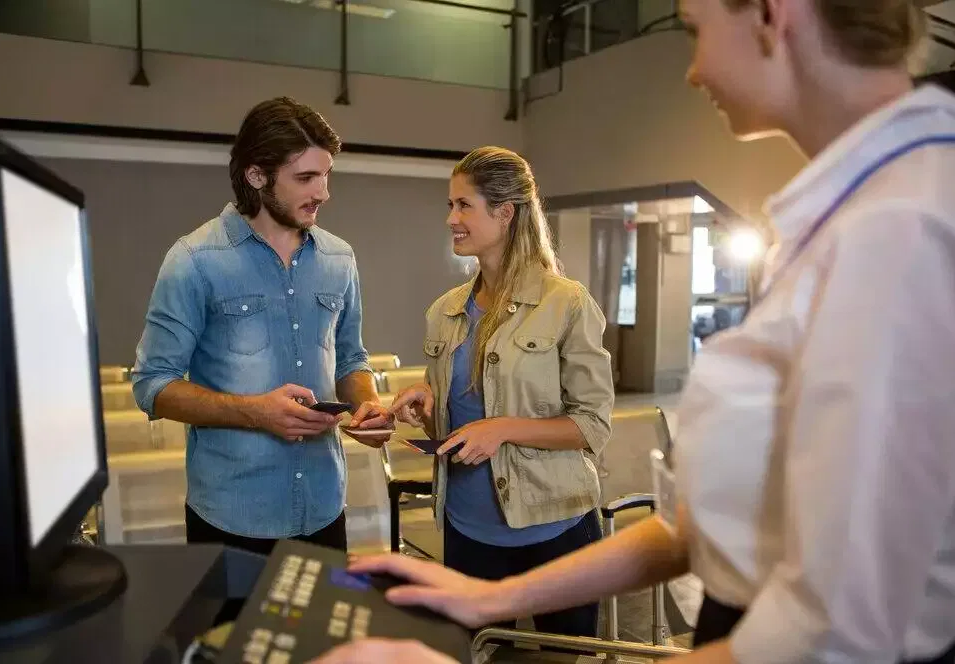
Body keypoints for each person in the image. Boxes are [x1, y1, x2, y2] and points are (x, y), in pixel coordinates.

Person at [310, 0, 955, 662]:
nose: (694, 70)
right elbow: (688, 525)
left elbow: (834, 636)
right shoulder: (843, 221)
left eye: (695, 28)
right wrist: (490, 601)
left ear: (771, 12)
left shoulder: (896, 233)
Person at [131, 97, 391, 565]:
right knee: (230, 642)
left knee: (321, 640)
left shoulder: (340, 259)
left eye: (326, 174)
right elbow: (152, 385)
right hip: (231, 516)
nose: (324, 191)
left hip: (323, 507)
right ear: (257, 176)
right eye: (306, 178)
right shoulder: (193, 260)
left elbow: (351, 359)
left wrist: (366, 404)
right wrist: (256, 413)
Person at [386, 146, 615, 639]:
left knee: (562, 657)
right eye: (451, 205)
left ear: (505, 212)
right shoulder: (443, 311)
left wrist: (503, 430)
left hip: (555, 529)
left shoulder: (566, 303)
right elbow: (459, 421)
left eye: (463, 205)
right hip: (467, 528)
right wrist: (428, 405)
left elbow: (592, 424)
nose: (452, 219)